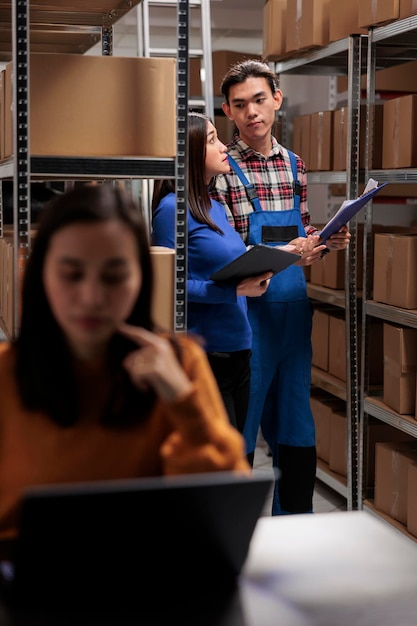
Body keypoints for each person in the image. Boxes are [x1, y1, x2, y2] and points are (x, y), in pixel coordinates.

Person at [0, 183, 251, 542]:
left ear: (142, 279)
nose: (91, 297)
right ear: (42, 277)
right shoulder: (8, 374)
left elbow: (227, 508)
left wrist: (182, 400)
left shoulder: (178, 362)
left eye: (113, 276)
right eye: (71, 274)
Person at [211, 60, 351, 516]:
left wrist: (324, 240)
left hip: (293, 315)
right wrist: (289, 252)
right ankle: (237, 537)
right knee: (242, 430)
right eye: (239, 105)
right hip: (248, 318)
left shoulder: (295, 164)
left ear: (277, 98)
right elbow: (224, 249)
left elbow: (302, 227)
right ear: (229, 113)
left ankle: (295, 533)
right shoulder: (222, 169)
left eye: (258, 99)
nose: (251, 112)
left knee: (296, 426)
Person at [152, 111, 282, 435]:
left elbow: (221, 266)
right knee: (220, 467)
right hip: (205, 357)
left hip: (238, 349)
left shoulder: (212, 204)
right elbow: (168, 285)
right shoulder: (171, 209)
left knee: (239, 462)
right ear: (191, 153)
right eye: (212, 140)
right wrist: (233, 291)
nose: (224, 146)